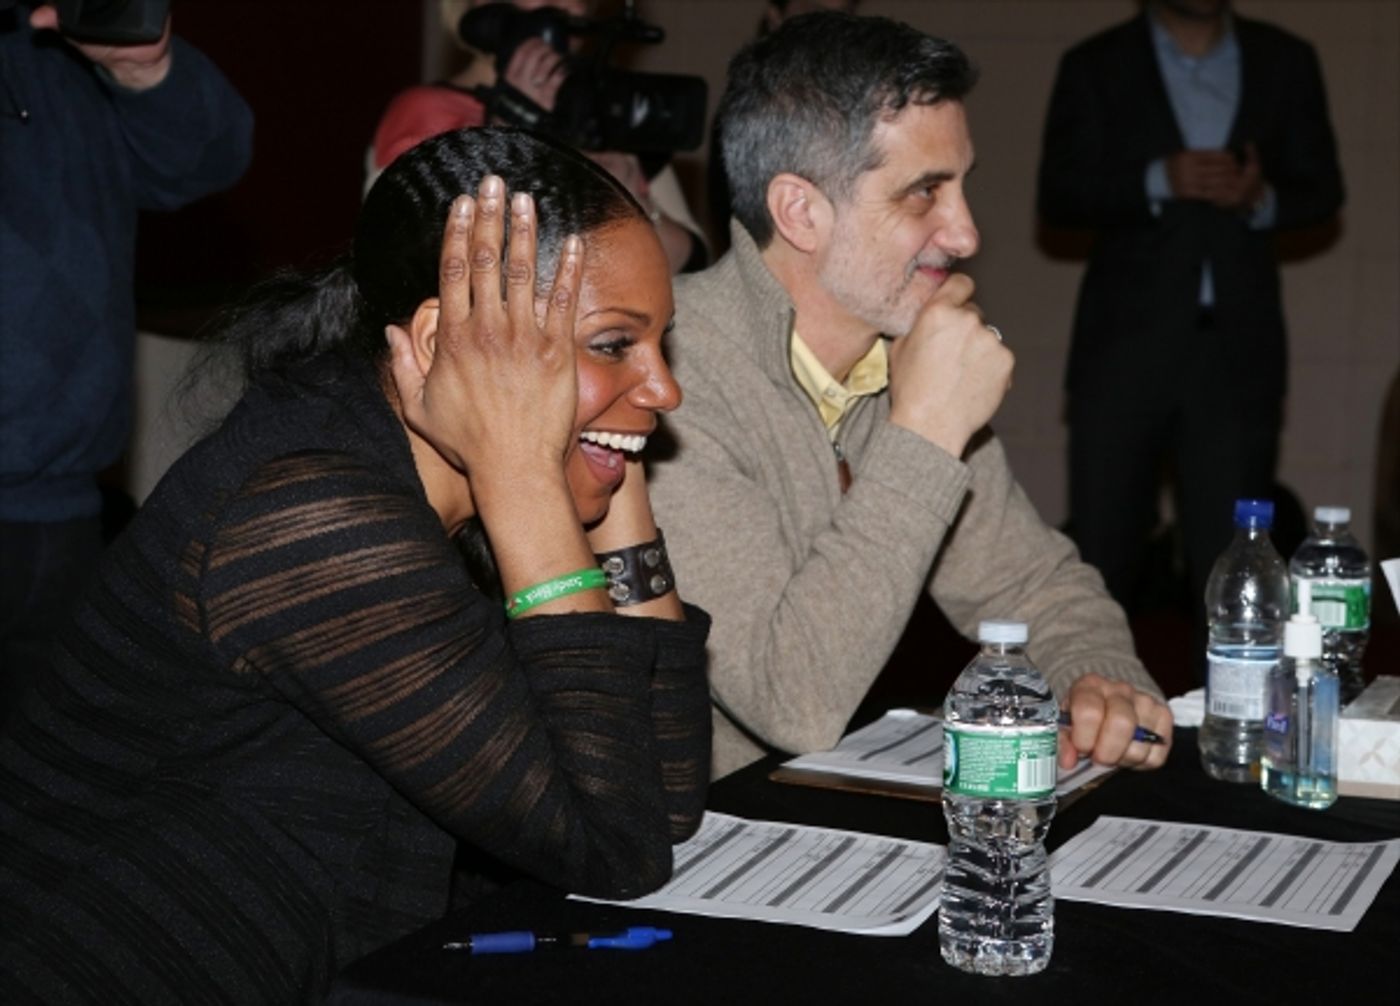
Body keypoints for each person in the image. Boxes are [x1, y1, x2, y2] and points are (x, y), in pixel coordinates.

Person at [0, 127, 711, 1003]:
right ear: (449, 342)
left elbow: (662, 804)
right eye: (614, 343)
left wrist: (613, 463)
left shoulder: (434, 481)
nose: (665, 386)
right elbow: (617, 845)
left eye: (659, 344)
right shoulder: (310, 517)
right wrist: (528, 468)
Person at [647, 10, 1172, 780]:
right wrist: (925, 431)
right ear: (800, 212)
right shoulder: (665, 375)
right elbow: (791, 700)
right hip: (680, 858)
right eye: (924, 193)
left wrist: (1100, 676)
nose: (965, 235)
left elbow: (1036, 584)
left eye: (962, 187)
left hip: (816, 835)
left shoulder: (899, 355)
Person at [1037, 0, 1344, 626]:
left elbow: (1325, 189)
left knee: (1235, 563)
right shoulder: (1095, 63)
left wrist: (1260, 196)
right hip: (1124, 347)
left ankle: (1230, 719)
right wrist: (1156, 178)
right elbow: (1058, 192)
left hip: (1233, 350)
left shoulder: (1285, 59)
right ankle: (1092, 710)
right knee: (1104, 553)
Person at [0, 1, 253, 729]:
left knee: (53, 792)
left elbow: (210, 158)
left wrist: (144, 68)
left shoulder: (63, 49)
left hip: (66, 506)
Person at [369, 0, 707, 274]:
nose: (564, 6)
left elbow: (692, 267)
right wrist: (510, 133)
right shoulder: (428, 112)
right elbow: (410, 263)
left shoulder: (605, 107)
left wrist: (634, 204)